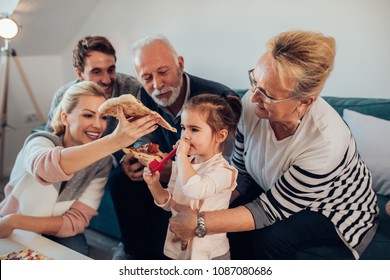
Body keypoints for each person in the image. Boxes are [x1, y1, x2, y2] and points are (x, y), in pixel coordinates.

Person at [169, 30, 379, 260]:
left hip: (333, 207)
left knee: (270, 237)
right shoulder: (251, 105)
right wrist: (207, 204)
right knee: (227, 223)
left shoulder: (325, 143)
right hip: (273, 187)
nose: (253, 96)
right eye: (255, 81)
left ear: (304, 102)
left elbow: (268, 211)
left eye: (267, 94)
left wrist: (199, 222)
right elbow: (240, 171)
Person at [108, 35, 237, 260]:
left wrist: (178, 166)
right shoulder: (143, 98)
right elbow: (143, 137)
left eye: (163, 72)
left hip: (204, 178)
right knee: (120, 178)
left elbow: (231, 159)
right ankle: (135, 253)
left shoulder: (219, 99)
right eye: (146, 77)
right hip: (170, 173)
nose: (157, 85)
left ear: (180, 64)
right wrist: (138, 155)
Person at [0, 81, 159, 256]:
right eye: (88, 115)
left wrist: (16, 221)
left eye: (103, 117)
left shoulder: (102, 163)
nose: (98, 126)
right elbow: (47, 170)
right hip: (7, 225)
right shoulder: (40, 142)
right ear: (65, 117)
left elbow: (76, 221)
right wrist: (114, 141)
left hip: (48, 228)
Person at [143, 94, 241, 260]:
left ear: (220, 136)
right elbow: (170, 204)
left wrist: (180, 156)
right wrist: (154, 186)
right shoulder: (184, 164)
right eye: (183, 127)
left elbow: (195, 190)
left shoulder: (224, 172)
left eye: (194, 129)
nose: (185, 136)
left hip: (211, 255)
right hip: (181, 251)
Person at [45, 35, 142, 145]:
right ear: (79, 74)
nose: (106, 80)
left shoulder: (132, 88)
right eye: (96, 72)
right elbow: (52, 138)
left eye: (111, 70)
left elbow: (144, 135)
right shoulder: (63, 96)